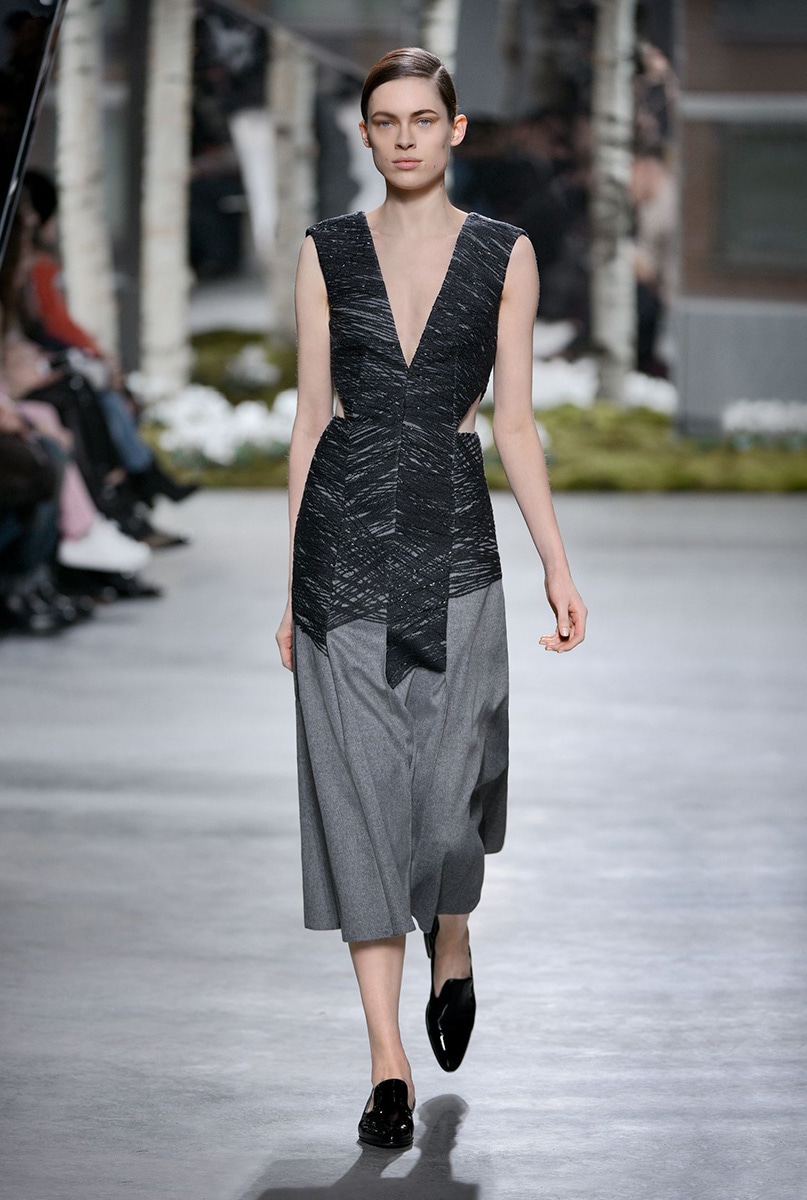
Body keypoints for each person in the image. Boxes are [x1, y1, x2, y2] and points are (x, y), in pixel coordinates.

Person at [275, 48, 587, 1150]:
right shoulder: (326, 252)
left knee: (451, 796)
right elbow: (310, 421)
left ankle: (452, 928)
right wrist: (290, 586)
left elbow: (514, 423)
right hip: (341, 552)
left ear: (454, 131)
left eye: (422, 118)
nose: (403, 137)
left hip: (454, 544)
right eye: (384, 120)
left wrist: (555, 564)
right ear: (364, 135)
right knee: (361, 800)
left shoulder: (504, 253)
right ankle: (386, 1066)